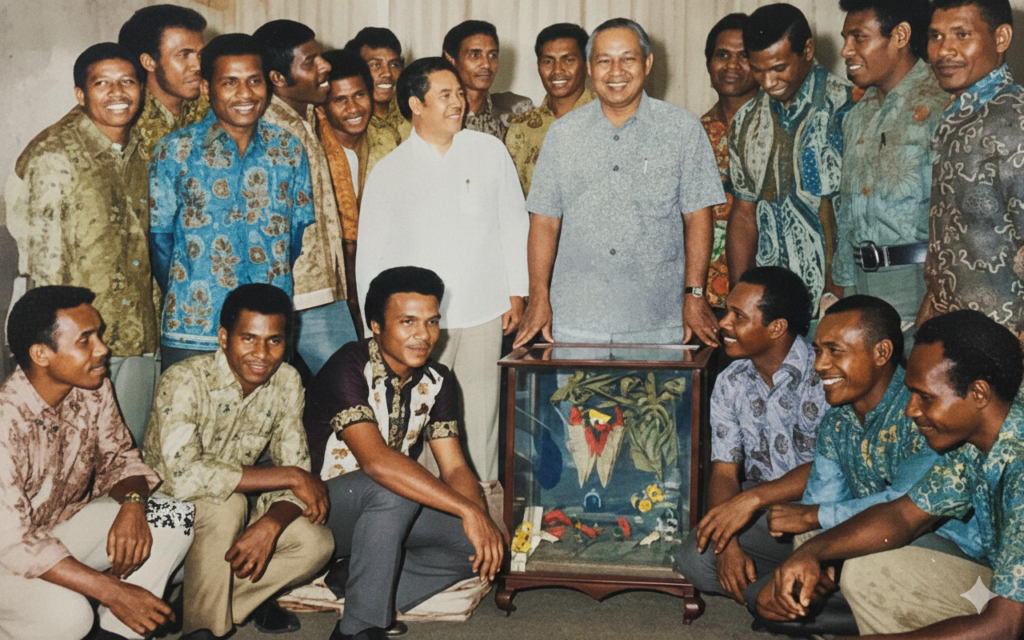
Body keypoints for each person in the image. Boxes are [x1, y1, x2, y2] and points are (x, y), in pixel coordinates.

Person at [763, 310, 1024, 639]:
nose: (911, 410)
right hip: (1001, 585)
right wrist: (810, 552)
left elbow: (1006, 625)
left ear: (979, 394)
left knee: (872, 572)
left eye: (926, 397)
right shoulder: (977, 441)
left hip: (1012, 614)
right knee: (860, 563)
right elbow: (903, 516)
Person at [305, 266, 505, 640]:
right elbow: (378, 464)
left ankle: (355, 581)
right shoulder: (347, 367)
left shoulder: (437, 379)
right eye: (407, 322)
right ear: (376, 326)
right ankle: (359, 627)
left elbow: (455, 466)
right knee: (390, 487)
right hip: (319, 513)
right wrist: (466, 509)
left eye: (432, 322)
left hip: (381, 516)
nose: (423, 335)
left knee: (476, 543)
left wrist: (478, 518)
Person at [357, 57, 528, 482]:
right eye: (445, 95)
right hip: (414, 325)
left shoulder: (489, 151)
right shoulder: (389, 171)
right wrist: (372, 327)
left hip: (483, 310)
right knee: (418, 422)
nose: (459, 103)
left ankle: (483, 509)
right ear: (416, 104)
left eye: (459, 94)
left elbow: (513, 222)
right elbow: (370, 257)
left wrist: (517, 292)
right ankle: (428, 519)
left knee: (479, 419)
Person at [515, 18, 725, 347]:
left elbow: (698, 217)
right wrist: (538, 297)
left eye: (627, 58)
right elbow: (544, 222)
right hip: (576, 320)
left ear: (648, 63)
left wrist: (695, 295)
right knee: (575, 400)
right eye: (604, 61)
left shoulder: (682, 129)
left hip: (658, 319)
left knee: (656, 401)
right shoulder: (563, 135)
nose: (616, 71)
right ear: (589, 67)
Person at [0, 286, 193, 640]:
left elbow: (120, 458)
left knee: (174, 517)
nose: (103, 348)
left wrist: (134, 505)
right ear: (41, 354)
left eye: (98, 335)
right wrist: (110, 589)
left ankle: (118, 632)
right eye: (85, 340)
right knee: (68, 615)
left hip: (57, 531)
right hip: (6, 559)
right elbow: (13, 543)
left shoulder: (93, 387)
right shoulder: (5, 423)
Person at [142, 284, 334, 640]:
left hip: (233, 503)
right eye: (249, 338)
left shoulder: (287, 381)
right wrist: (290, 475)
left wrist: (272, 523)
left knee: (316, 542)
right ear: (224, 337)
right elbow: (183, 477)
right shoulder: (184, 379)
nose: (262, 353)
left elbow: (299, 472)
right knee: (227, 507)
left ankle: (200, 604)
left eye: (275, 341)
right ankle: (204, 630)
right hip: (163, 510)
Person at [7, 43, 159, 443]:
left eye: (127, 82)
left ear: (141, 88)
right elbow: (46, 267)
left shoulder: (141, 149)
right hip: (79, 349)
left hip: (138, 336)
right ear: (81, 94)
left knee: (129, 451)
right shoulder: (56, 155)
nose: (117, 93)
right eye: (102, 83)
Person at [148, 34, 315, 370]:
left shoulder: (288, 149)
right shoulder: (175, 151)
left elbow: (294, 238)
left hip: (268, 332)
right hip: (195, 328)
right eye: (230, 82)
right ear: (207, 88)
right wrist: (198, 287)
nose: (245, 94)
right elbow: (160, 242)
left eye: (254, 81)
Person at [676, 267, 827, 615]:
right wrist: (727, 543)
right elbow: (725, 472)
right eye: (726, 311)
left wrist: (748, 502)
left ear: (776, 328)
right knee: (695, 560)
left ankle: (790, 597)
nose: (723, 324)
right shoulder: (731, 381)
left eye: (738, 316)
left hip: (825, 511)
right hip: (764, 512)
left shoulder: (824, 373)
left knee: (843, 561)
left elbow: (830, 469)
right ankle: (793, 597)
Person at [726, 3, 854, 316]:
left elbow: (851, 212)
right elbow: (743, 215)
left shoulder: (847, 107)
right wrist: (741, 300)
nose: (768, 83)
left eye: (779, 68)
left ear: (807, 50)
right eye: (758, 70)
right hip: (770, 312)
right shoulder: (745, 120)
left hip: (836, 300)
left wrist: (835, 298)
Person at [833, 0, 947, 344]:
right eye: (845, 38)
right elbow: (849, 217)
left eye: (858, 38)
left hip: (922, 286)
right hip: (861, 283)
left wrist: (936, 299)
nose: (846, 50)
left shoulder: (943, 103)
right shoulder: (856, 114)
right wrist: (843, 293)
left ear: (900, 35)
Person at [253, 20, 357, 377]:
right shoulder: (266, 131)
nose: (325, 66)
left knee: (349, 390)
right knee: (348, 390)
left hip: (325, 288)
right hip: (296, 295)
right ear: (278, 78)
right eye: (310, 62)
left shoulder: (310, 115)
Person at [916, 0, 1024, 343]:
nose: (944, 50)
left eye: (962, 35)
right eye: (936, 36)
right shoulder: (956, 117)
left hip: (1002, 342)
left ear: (1002, 37)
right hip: (955, 334)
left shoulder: (1014, 119)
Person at [701, 13, 759, 308]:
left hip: (763, 299)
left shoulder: (778, 128)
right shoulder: (692, 134)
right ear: (709, 63)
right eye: (722, 55)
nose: (732, 66)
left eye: (744, 56)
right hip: (701, 298)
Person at [317, 49, 375, 336]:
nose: (354, 108)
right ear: (323, 104)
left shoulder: (389, 141)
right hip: (329, 292)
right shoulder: (313, 150)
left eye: (360, 95)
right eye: (340, 99)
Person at [505, 23, 594, 196]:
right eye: (548, 61)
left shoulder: (609, 117)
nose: (557, 70)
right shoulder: (521, 128)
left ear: (586, 64)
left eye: (568, 60)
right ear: (538, 65)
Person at [118, 4, 209, 160]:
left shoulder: (210, 103)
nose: (198, 66)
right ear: (149, 62)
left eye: (200, 55)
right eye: (184, 55)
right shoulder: (123, 121)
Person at [442, 20, 533, 140]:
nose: (486, 64)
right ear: (451, 60)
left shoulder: (517, 111)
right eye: (475, 55)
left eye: (492, 55)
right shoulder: (436, 116)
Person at [344, 26, 412, 165]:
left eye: (394, 64)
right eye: (376, 65)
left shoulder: (415, 114)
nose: (387, 73)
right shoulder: (350, 124)